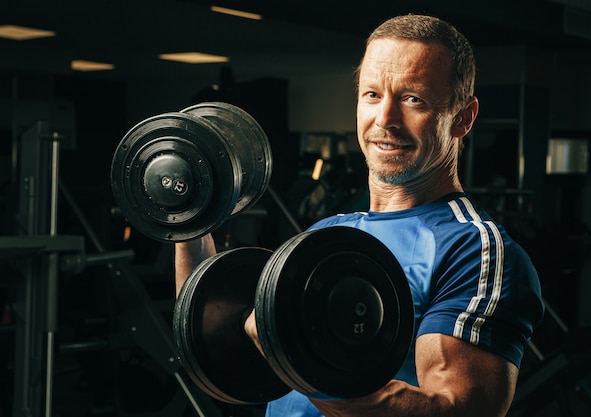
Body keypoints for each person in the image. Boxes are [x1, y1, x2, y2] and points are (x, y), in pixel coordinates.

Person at [175, 13, 544, 417]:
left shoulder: (473, 250)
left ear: (463, 118)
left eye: (412, 98)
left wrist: (291, 357)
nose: (384, 119)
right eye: (372, 95)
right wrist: (190, 216)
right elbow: (210, 326)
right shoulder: (329, 233)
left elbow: (456, 411)